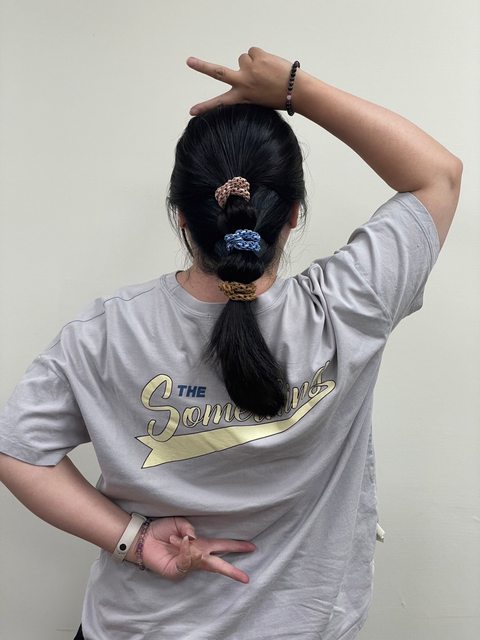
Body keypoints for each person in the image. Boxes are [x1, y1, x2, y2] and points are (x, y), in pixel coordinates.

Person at [0, 47, 461, 640]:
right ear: (292, 214)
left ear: (181, 217)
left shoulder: (107, 332)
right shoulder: (349, 306)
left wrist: (134, 539)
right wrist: (295, 88)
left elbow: (18, 450)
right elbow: (437, 174)